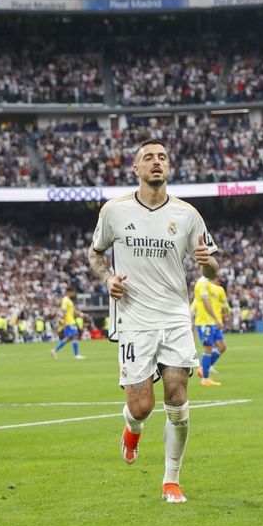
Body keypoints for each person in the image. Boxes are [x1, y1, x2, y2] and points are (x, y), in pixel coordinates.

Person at [87, 138, 217, 503]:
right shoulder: (114, 211)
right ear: (136, 169)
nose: (156, 162)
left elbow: (212, 270)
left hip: (175, 317)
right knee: (142, 406)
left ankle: (171, 480)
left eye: (162, 157)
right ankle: (132, 429)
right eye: (148, 158)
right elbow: (96, 255)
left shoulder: (187, 215)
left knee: (177, 397)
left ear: (169, 166)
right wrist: (107, 278)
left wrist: (206, 261)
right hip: (134, 319)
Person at [192, 260, 230, 387]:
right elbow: (204, 303)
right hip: (205, 322)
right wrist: (216, 319)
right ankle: (205, 378)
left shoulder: (210, 285)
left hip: (212, 322)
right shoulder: (201, 283)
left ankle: (204, 369)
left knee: (222, 346)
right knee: (207, 349)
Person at [51, 288, 85, 359]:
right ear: (69, 292)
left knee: (69, 338)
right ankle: (76, 355)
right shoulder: (65, 300)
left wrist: (80, 313)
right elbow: (64, 312)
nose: (74, 294)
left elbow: (72, 311)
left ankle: (54, 350)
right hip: (69, 322)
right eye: (73, 292)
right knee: (74, 336)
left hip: (71, 321)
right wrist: (65, 323)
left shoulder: (69, 300)